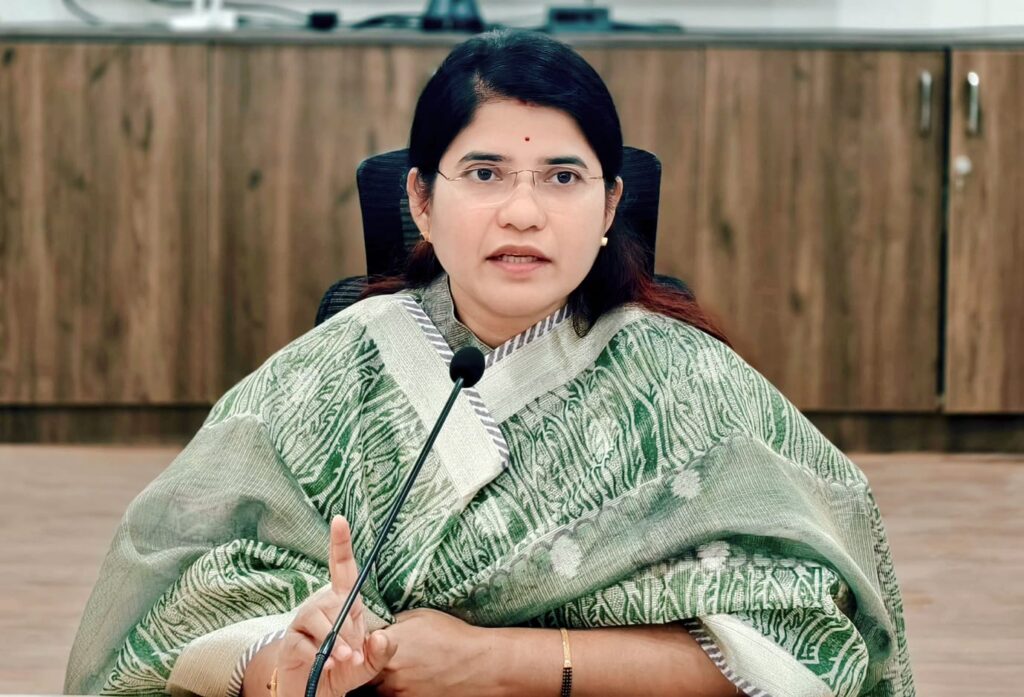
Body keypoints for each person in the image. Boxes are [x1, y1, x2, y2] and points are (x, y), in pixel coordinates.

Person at [66, 30, 914, 697]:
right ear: (421, 200)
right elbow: (176, 605)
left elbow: (809, 640)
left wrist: (500, 661)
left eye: (562, 177)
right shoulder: (325, 374)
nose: (523, 211)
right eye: (485, 172)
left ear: (610, 206)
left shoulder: (689, 385)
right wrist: (287, 663)